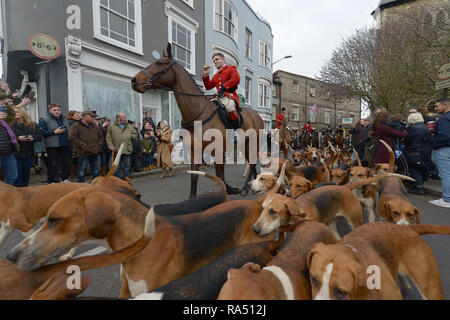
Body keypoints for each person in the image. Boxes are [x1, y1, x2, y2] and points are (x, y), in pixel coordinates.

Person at [203, 53, 241, 130]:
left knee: (230, 107)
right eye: (213, 61)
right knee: (206, 107)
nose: (215, 62)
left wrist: (223, 87)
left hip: (229, 96)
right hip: (218, 98)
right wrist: (206, 75)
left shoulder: (231, 69)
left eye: (217, 59)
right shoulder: (216, 75)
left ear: (223, 60)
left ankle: (235, 131)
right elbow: (208, 87)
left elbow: (236, 79)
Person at [38, 103, 72, 184]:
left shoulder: (64, 119)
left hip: (65, 145)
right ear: (50, 110)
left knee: (67, 163)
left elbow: (69, 131)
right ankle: (51, 181)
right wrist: (54, 132)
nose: (57, 112)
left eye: (58, 110)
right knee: (53, 165)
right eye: (54, 110)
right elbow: (41, 132)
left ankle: (64, 179)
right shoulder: (44, 120)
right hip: (52, 146)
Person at [10, 106, 42, 187]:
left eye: (17, 111)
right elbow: (6, 138)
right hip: (15, 152)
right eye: (13, 112)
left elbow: (39, 135)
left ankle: (25, 191)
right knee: (17, 174)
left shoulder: (32, 124)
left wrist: (32, 137)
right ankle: (18, 192)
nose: (15, 114)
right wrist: (18, 138)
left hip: (29, 152)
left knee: (26, 173)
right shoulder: (9, 125)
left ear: (22, 113)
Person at [68, 111, 104, 183]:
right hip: (83, 152)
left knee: (96, 170)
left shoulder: (94, 126)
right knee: (81, 170)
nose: (93, 118)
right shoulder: (75, 125)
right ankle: (81, 186)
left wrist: (99, 145)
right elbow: (72, 138)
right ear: (85, 117)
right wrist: (83, 145)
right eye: (91, 117)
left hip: (95, 151)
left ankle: (96, 185)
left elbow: (100, 136)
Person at [405, 113, 433, 196]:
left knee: (414, 170)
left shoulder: (412, 129)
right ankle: (419, 185)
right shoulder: (425, 127)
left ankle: (419, 188)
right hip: (426, 152)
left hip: (415, 151)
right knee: (421, 169)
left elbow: (406, 139)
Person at [429, 98, 450, 208]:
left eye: (437, 106)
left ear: (445, 105)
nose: (435, 108)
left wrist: (433, 142)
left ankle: (447, 199)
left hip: (444, 149)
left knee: (445, 175)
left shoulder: (444, 119)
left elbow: (444, 136)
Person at [106, 113, 138, 182]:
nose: (125, 119)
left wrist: (130, 136)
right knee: (117, 164)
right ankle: (118, 177)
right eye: (123, 118)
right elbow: (108, 137)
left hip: (127, 147)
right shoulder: (112, 126)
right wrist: (110, 146)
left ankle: (126, 175)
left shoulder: (129, 126)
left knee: (127, 164)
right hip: (117, 148)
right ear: (118, 118)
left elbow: (135, 133)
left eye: (125, 117)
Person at [0, 103, 19, 185]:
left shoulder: (3, 122)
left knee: (12, 176)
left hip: (8, 154)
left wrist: (6, 103)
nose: (3, 112)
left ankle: (5, 194)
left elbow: (12, 114)